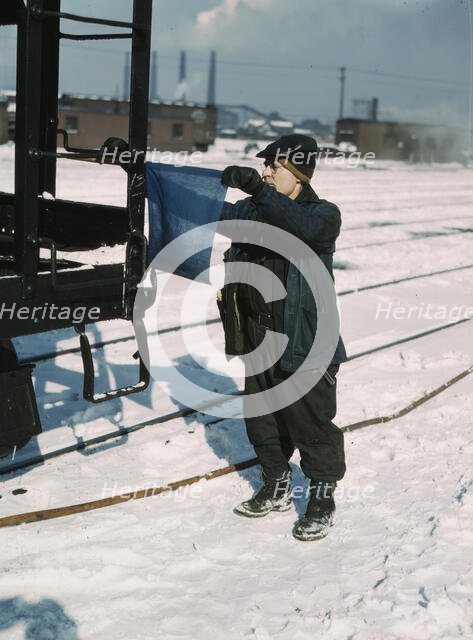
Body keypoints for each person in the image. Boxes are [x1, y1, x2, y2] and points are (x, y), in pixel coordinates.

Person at [218, 134, 347, 541]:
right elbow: (204, 210)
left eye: (274, 166)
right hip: (259, 338)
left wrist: (257, 190)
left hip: (306, 344)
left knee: (311, 426)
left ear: (299, 172)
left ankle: (321, 501)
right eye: (264, 167)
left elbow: (298, 227)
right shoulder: (255, 209)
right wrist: (141, 172)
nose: (266, 172)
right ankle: (275, 486)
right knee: (263, 421)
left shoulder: (323, 215)